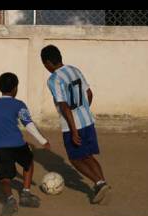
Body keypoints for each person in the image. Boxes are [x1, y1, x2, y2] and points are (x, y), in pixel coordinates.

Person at [40, 45, 111, 204]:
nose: (45, 67)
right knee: (87, 155)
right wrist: (83, 111)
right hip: (87, 120)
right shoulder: (74, 70)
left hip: (72, 125)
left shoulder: (54, 79)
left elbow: (64, 105)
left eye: (44, 64)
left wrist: (73, 129)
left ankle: (100, 183)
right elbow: (89, 93)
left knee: (75, 159)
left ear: (48, 63)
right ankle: (102, 184)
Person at [0, 72, 50, 216]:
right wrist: (42, 141)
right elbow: (28, 124)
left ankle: (10, 200)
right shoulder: (19, 104)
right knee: (28, 162)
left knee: (4, 177)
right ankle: (26, 194)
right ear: (15, 88)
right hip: (18, 143)